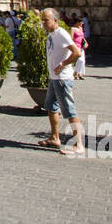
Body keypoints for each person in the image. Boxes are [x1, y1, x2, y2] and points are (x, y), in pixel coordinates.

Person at [38, 8, 84, 155]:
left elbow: (76, 52)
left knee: (70, 111)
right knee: (51, 108)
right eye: (42, 20)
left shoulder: (62, 34)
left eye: (46, 20)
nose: (43, 23)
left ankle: (79, 145)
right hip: (54, 79)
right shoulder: (52, 34)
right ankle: (54, 137)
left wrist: (62, 64)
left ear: (55, 21)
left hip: (63, 79)